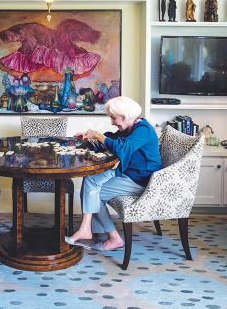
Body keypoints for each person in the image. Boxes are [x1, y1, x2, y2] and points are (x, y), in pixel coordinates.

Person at [66, 96, 162, 251]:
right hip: (128, 173)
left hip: (141, 179)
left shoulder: (143, 130)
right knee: (90, 182)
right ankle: (97, 232)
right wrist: (87, 141)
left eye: (113, 118)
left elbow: (122, 149)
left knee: (93, 192)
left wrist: (99, 136)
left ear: (125, 116)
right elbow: (111, 143)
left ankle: (111, 237)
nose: (112, 122)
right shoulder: (130, 128)